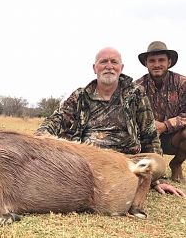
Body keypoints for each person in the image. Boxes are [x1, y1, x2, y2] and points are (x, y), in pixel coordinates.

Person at [36, 47, 185, 197]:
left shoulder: (136, 94)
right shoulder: (80, 96)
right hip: (87, 159)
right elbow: (56, 120)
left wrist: (155, 181)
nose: (109, 66)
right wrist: (39, 139)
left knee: (157, 162)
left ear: (121, 68)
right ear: (95, 68)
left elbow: (150, 135)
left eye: (114, 62)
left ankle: (105, 180)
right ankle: (115, 181)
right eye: (103, 62)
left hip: (127, 162)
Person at [136, 41, 186, 183]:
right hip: (145, 140)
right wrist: (150, 128)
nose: (156, 64)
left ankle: (176, 163)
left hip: (173, 138)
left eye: (161, 60)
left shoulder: (182, 83)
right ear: (146, 64)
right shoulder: (136, 87)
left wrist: (165, 125)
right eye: (152, 61)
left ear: (169, 62)